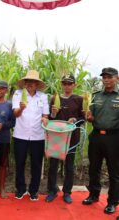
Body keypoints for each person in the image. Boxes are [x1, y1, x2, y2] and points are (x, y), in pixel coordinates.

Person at [82, 67, 119, 215]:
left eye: (110, 77)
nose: (106, 79)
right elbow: (91, 117)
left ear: (117, 78)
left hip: (114, 138)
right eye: (104, 77)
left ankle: (112, 202)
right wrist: (89, 117)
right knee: (94, 168)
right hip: (96, 136)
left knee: (114, 171)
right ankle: (93, 195)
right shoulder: (96, 96)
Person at [45, 75, 84, 204]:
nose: (67, 86)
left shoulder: (79, 99)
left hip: (72, 138)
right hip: (56, 137)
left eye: (69, 83)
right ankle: (52, 191)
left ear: (74, 85)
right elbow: (50, 118)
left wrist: (75, 120)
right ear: (62, 84)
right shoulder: (54, 98)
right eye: (64, 83)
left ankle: (67, 192)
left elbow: (83, 118)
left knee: (69, 167)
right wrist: (53, 114)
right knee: (53, 165)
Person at [12, 70, 49, 201]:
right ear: (25, 83)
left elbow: (45, 115)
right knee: (20, 163)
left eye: (33, 82)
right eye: (28, 81)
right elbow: (15, 114)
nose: (30, 84)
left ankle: (34, 191)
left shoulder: (43, 97)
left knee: (36, 164)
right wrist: (21, 108)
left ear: (37, 84)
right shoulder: (18, 94)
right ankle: (20, 189)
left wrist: (45, 119)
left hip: (38, 136)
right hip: (20, 135)